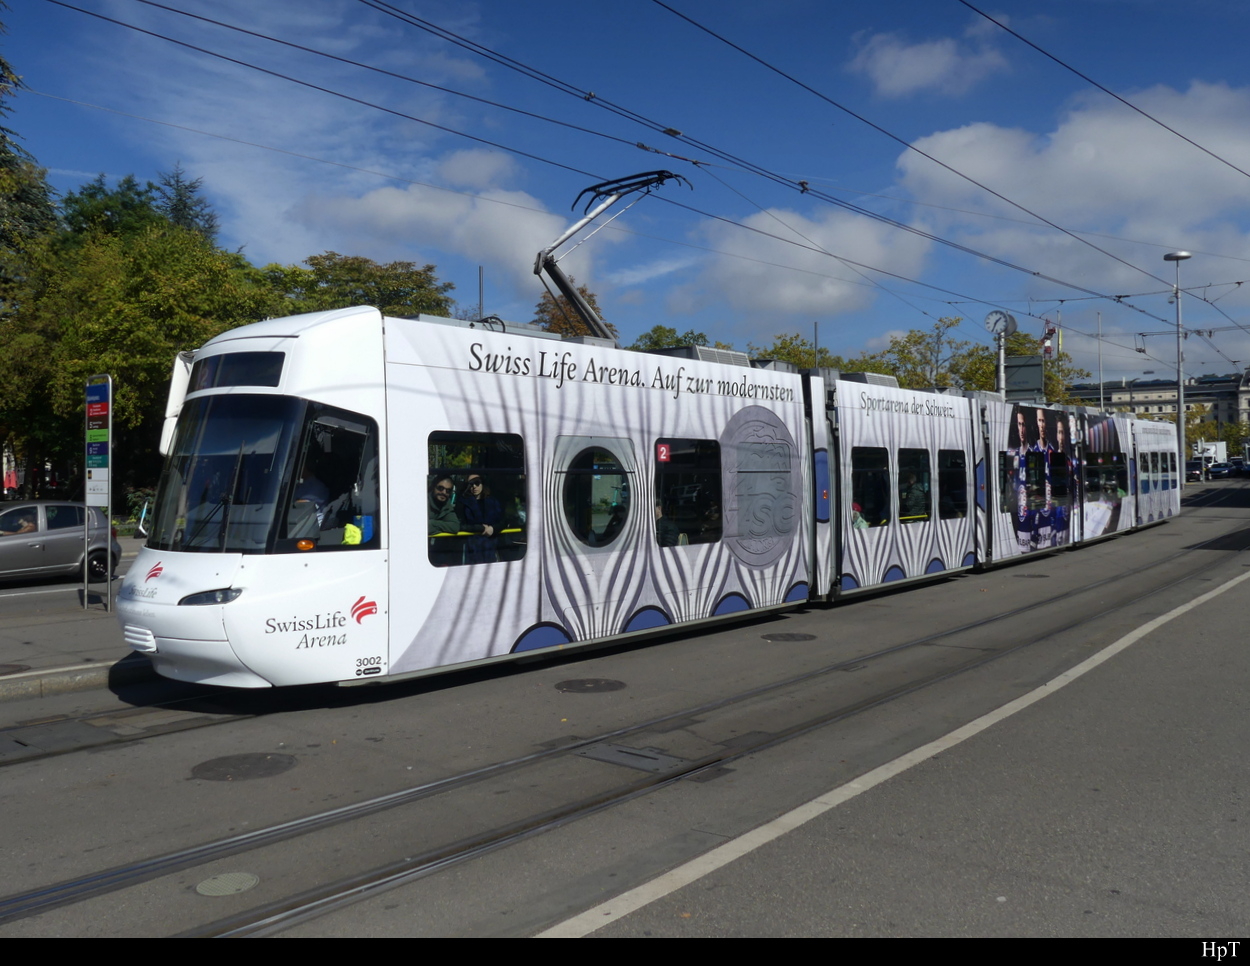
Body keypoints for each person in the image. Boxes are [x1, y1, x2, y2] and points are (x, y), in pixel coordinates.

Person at [459, 474, 502, 563]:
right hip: (471, 546)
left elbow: (503, 520)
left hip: (490, 545)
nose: (474, 486)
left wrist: (493, 529)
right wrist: (480, 528)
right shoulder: (463, 503)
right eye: (471, 484)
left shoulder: (493, 501)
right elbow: (460, 524)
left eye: (477, 483)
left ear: (482, 484)